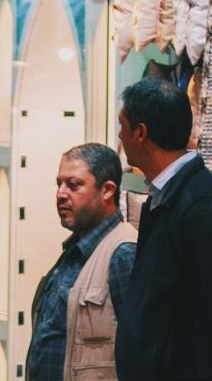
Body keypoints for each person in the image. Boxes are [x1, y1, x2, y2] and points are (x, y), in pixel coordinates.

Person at [114, 77, 212, 381]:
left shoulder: (200, 208)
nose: (119, 135)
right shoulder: (174, 196)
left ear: (140, 133)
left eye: (122, 126)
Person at [27, 142, 137, 381]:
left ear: (107, 190)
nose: (61, 194)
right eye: (59, 184)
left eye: (73, 185)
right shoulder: (74, 252)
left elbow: (143, 350)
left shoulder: (122, 253)